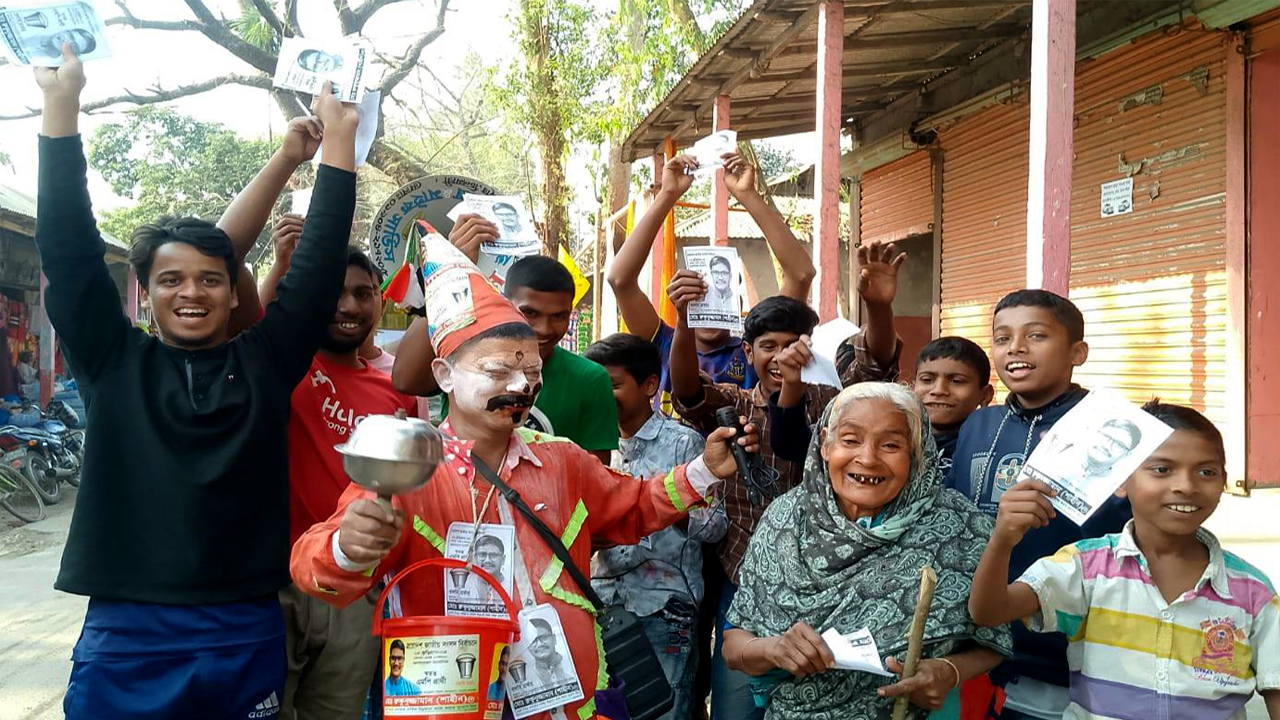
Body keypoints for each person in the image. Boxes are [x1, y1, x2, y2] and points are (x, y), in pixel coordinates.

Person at [292, 233, 757, 720]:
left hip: (561, 702)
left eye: (532, 372)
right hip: (451, 701)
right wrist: (348, 546)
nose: (521, 386)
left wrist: (705, 470)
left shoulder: (562, 459)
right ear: (445, 375)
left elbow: (634, 504)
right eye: (498, 371)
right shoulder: (412, 468)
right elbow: (315, 567)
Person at [33, 45, 359, 720]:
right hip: (129, 630)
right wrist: (60, 106)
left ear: (233, 293)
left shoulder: (266, 360)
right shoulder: (112, 360)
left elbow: (318, 267)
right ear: (145, 293)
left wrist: (340, 142)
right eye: (171, 280)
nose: (192, 292)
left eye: (211, 278)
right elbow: (69, 252)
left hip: (245, 624)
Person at [970, 400, 1280, 720]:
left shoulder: (1252, 592)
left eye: (1206, 472)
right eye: (1162, 469)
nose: (1186, 486)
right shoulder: (1086, 567)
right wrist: (1002, 541)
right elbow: (989, 611)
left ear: (1223, 481)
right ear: (1120, 480)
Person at [723, 383, 1013, 719]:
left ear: (916, 453)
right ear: (825, 444)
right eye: (850, 440)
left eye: (891, 445)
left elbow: (993, 640)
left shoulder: (961, 528)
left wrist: (950, 670)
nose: (868, 458)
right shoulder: (786, 519)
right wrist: (773, 649)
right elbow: (733, 645)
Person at [945, 289, 1132, 720]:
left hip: (1065, 648)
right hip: (978, 640)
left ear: (1077, 352)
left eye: (1036, 335)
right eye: (1002, 338)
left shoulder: (1108, 429)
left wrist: (1130, 497)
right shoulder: (979, 422)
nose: (1016, 348)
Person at [585, 332, 728, 720]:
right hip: (598, 604)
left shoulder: (683, 444)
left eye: (612, 385)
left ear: (650, 385)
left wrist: (664, 506)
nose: (601, 395)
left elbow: (715, 525)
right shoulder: (587, 445)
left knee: (664, 711)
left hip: (666, 607)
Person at [607, 151, 817, 412]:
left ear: (738, 302)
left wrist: (747, 195)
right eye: (697, 293)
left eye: (722, 290)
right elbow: (620, 280)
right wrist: (667, 195)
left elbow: (801, 274)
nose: (710, 298)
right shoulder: (663, 342)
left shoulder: (757, 348)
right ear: (679, 298)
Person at [394, 253, 619, 464]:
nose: (543, 328)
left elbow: (594, 475)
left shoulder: (590, 379)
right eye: (530, 312)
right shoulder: (465, 360)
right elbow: (405, 380)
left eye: (559, 316)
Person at [911, 336, 994, 469]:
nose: (938, 390)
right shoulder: (901, 442)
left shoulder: (992, 448)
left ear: (985, 395)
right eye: (927, 380)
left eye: (956, 381)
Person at [528, 619, 572, 685]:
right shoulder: (527, 677)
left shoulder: (572, 664)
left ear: (554, 639)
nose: (539, 644)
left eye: (544, 637)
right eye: (533, 641)